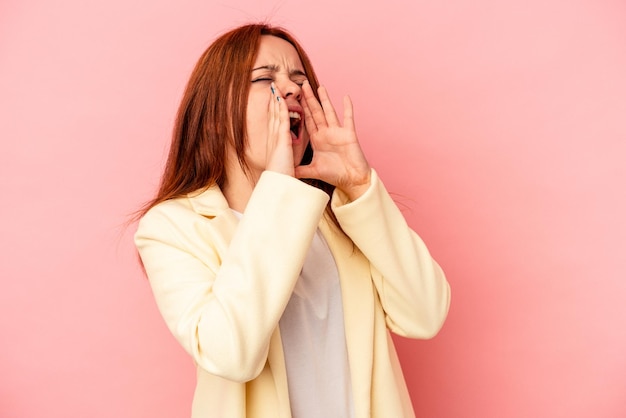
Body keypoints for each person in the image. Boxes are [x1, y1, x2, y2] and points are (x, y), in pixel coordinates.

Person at [134, 23, 451, 418]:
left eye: (298, 77)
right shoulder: (172, 227)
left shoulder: (336, 214)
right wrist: (277, 186)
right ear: (214, 117)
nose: (290, 89)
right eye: (265, 78)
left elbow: (425, 314)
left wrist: (360, 186)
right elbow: (232, 355)